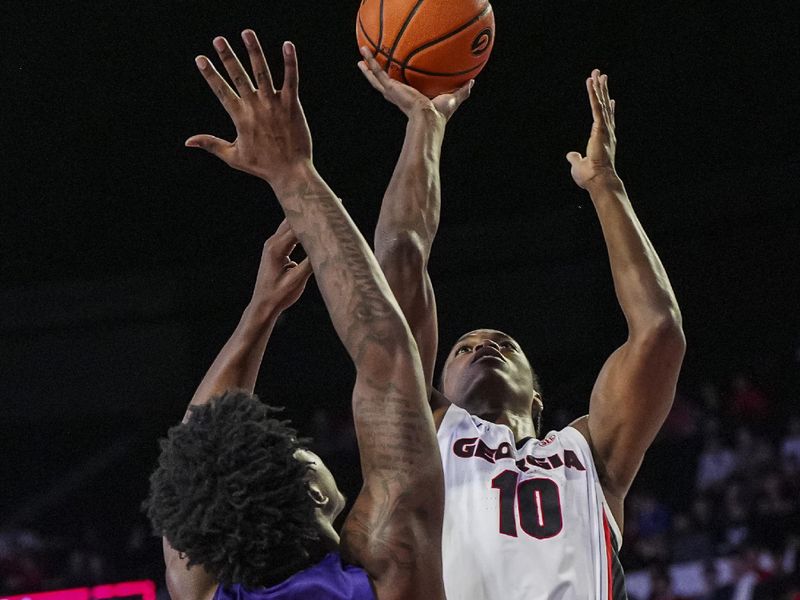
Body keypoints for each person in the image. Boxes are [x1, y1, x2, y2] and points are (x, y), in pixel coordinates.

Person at [359, 48, 686, 599]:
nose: (484, 346)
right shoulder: (426, 432)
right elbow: (399, 259)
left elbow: (659, 332)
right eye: (463, 348)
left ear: (537, 393)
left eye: (503, 343)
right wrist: (424, 127)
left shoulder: (590, 454)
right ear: (436, 382)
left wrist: (605, 184)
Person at [145, 30, 446, 600]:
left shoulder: (204, 592)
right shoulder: (386, 567)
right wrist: (292, 173)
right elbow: (385, 348)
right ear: (313, 496)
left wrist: (260, 311)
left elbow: (194, 457)